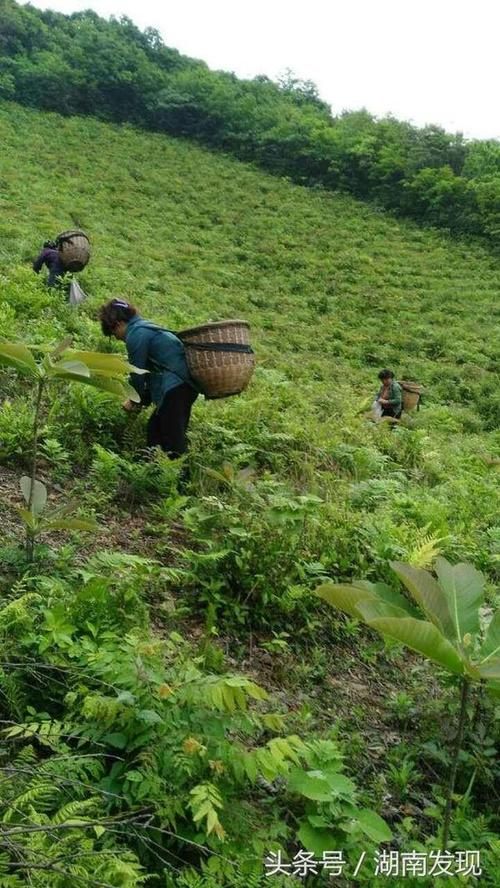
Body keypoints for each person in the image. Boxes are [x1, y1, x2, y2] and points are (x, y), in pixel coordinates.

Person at [98, 299, 198, 459]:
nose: (117, 338)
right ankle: (155, 472)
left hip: (176, 388)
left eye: (113, 334)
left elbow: (137, 374)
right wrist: (142, 399)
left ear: (117, 324)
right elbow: (152, 373)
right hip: (183, 386)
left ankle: (180, 479)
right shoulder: (145, 327)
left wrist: (134, 400)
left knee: (172, 438)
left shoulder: (136, 335)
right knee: (155, 430)